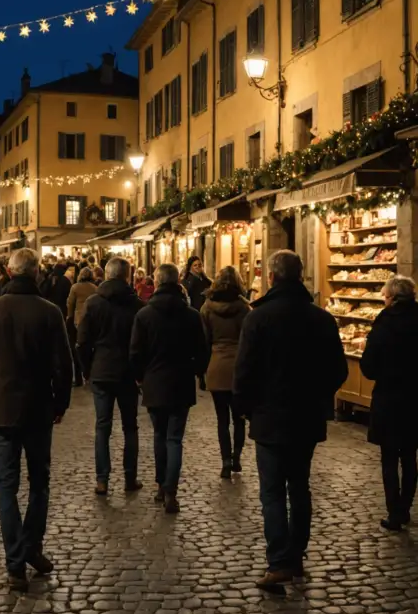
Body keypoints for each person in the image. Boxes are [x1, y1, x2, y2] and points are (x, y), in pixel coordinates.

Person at [234, 250, 347, 590]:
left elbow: (244, 372)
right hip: (307, 417)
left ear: (271, 277)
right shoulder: (322, 319)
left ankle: (279, 561)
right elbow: (338, 371)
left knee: (271, 491)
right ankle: (296, 556)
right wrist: (317, 395)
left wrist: (247, 408)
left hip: (269, 418)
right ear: (300, 276)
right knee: (299, 487)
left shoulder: (257, 318)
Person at [0, 248, 73, 591]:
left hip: (0, 411)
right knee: (39, 484)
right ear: (37, 273)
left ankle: (16, 561)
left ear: (10, 274)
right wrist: (61, 403)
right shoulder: (50, 312)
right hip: (39, 409)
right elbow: (63, 365)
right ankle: (31, 548)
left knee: (7, 488)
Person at [130, 263, 208, 515]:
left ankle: (161, 486)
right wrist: (196, 371)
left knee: (159, 436)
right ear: (177, 283)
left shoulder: (144, 315)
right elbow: (203, 351)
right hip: (181, 382)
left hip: (154, 382)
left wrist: (139, 378)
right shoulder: (191, 315)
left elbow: (135, 353)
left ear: (157, 282)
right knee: (175, 439)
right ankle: (171, 490)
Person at [77, 257, 144, 496]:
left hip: (102, 370)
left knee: (102, 427)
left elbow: (82, 341)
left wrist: (87, 369)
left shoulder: (94, 303)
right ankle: (130, 477)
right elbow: (141, 344)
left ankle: (102, 479)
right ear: (127, 276)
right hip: (127, 372)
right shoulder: (136, 305)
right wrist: (140, 372)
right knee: (130, 427)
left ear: (105, 275)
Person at [361, 275, 418, 532]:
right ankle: (405, 506)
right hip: (415, 397)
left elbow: (369, 366)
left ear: (392, 298)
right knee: (409, 456)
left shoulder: (384, 323)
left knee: (388, 457)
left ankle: (394, 511)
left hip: (389, 398)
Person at [201, 266, 251, 479]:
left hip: (217, 364)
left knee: (222, 419)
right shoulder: (244, 308)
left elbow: (204, 341)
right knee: (239, 418)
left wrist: (202, 371)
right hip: (239, 367)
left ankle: (225, 461)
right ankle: (237, 457)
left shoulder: (207, 308)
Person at [67, 267, 98, 387]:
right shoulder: (95, 288)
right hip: (92, 321)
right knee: (91, 347)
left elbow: (70, 304)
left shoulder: (75, 287)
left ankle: (79, 377)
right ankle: (90, 374)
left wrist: (69, 317)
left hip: (78, 321)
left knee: (77, 349)